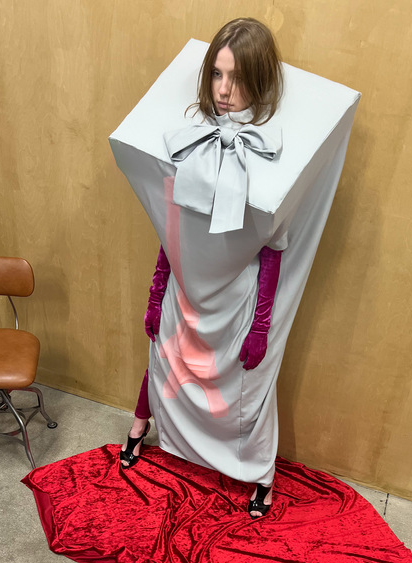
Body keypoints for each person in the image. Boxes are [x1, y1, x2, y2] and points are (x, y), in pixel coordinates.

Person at [120, 18, 285, 519]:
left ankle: (260, 474)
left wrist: (261, 327)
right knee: (164, 356)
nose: (224, 90)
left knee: (248, 386)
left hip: (235, 294)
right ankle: (140, 425)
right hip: (184, 282)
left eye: (237, 77)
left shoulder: (273, 150)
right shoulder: (193, 134)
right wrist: (157, 293)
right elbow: (172, 224)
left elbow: (273, 248)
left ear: (259, 79)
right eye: (217, 74)